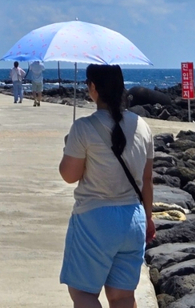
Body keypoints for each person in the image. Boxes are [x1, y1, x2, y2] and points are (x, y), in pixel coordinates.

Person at [59, 64, 155, 308]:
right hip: (133, 219)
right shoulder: (142, 125)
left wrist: (68, 147)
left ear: (93, 87)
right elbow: (147, 180)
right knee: (123, 297)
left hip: (95, 219)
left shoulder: (83, 128)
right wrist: (149, 218)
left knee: (83, 293)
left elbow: (69, 176)